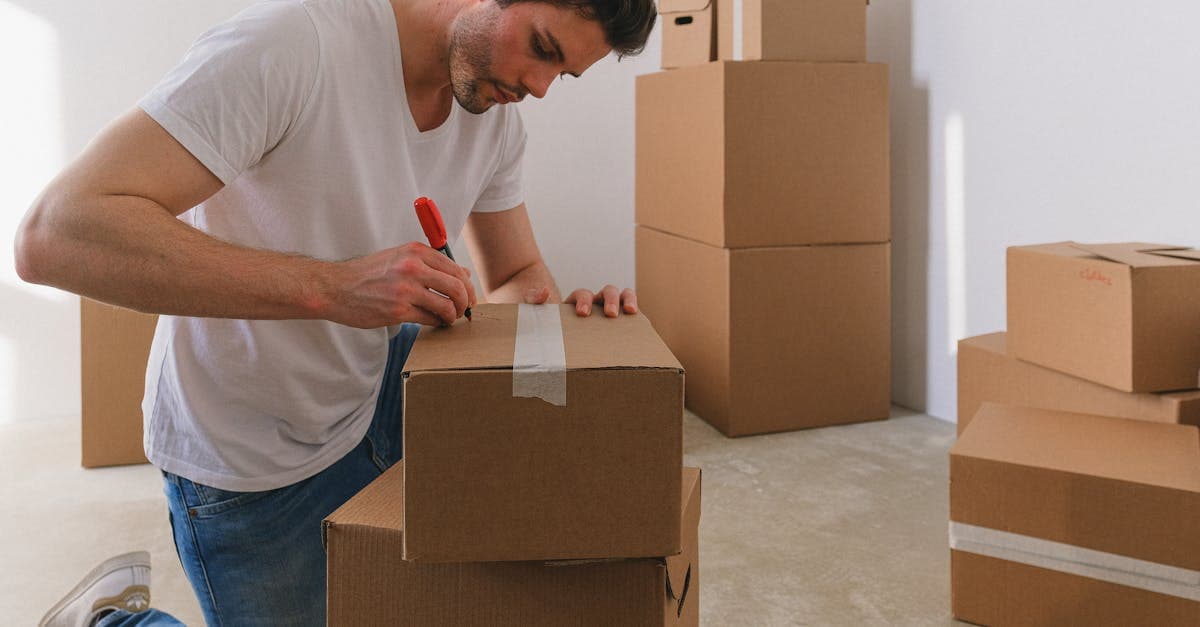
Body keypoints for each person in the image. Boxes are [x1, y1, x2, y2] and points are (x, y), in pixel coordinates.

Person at [16, 0, 656, 623]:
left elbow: (516, 276)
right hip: (249, 452)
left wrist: (561, 322)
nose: (539, 88)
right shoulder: (293, 45)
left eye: (564, 74)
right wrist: (331, 288)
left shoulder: (492, 116)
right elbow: (54, 235)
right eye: (543, 49)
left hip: (378, 401)